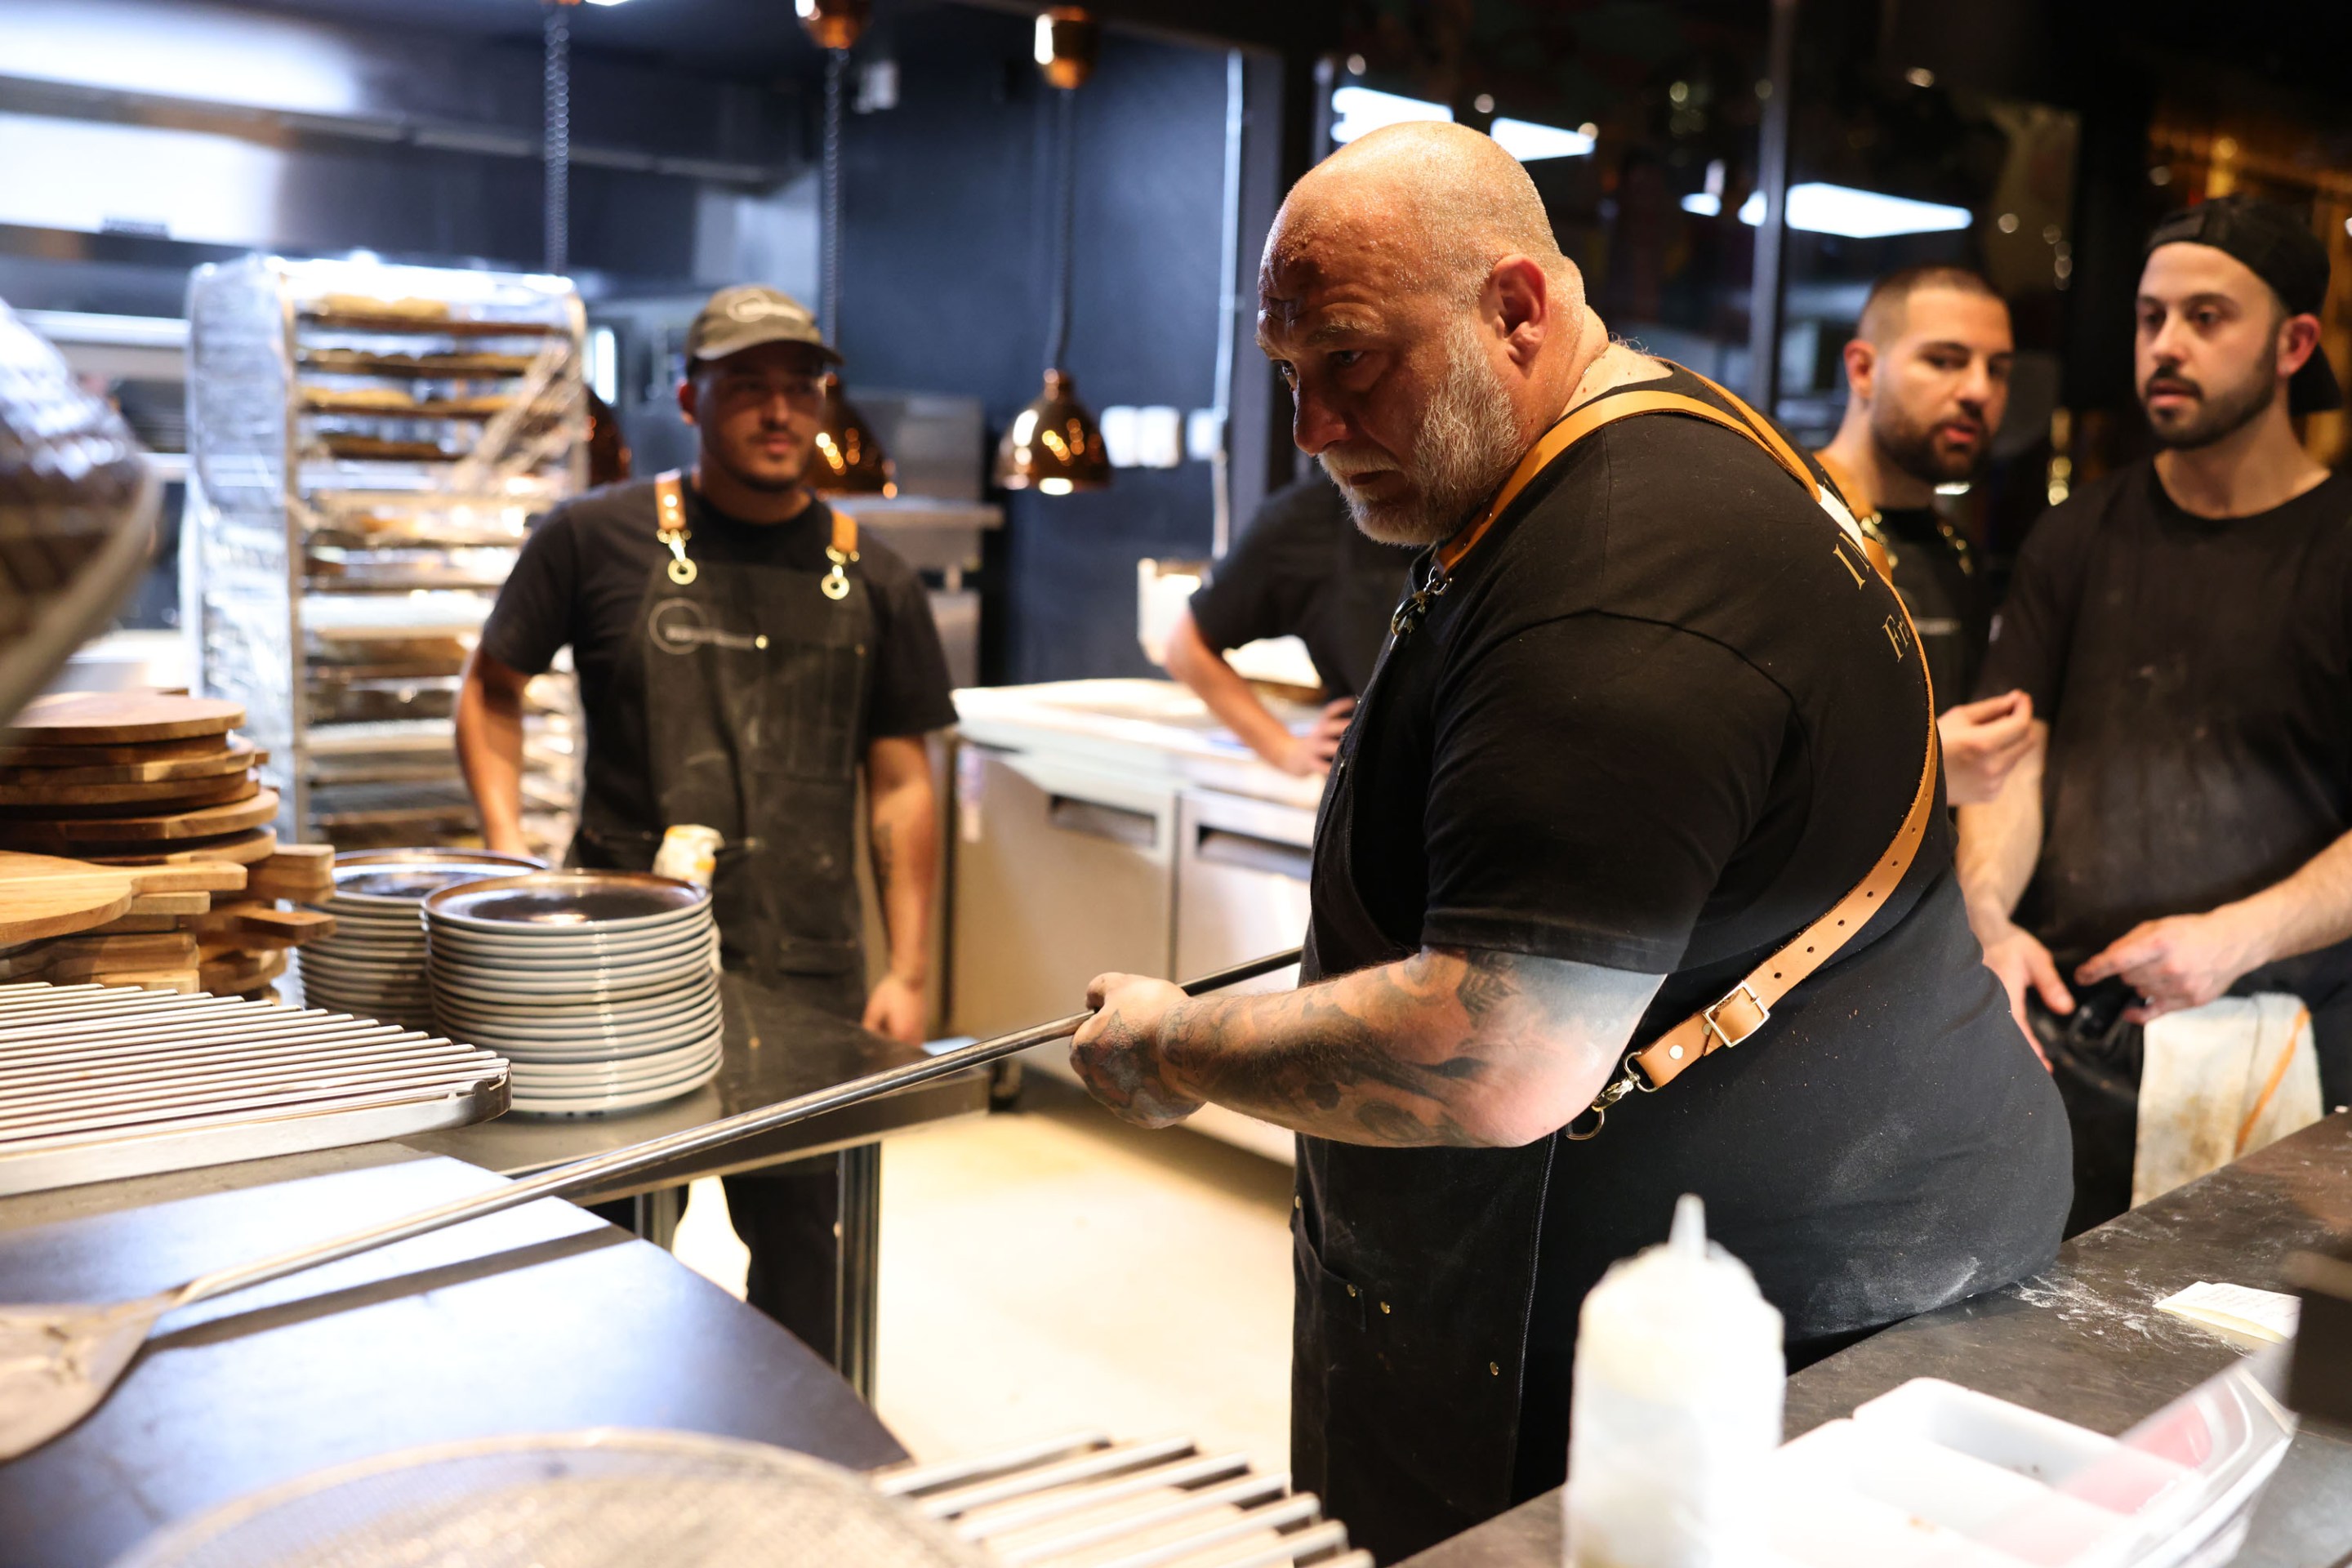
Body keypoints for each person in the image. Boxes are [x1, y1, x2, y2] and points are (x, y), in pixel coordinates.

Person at [1067, 122, 2068, 1561]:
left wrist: (1180, 1050)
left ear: (1518, 311)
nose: (1315, 427)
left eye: (1351, 359)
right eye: (1292, 375)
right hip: (1704, 1250)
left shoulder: (1620, 579)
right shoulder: (1619, 438)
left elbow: (1498, 1053)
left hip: (1770, 1324)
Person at [456, 283, 957, 1355]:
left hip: (810, 968)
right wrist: (508, 854)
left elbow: (904, 782)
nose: (778, 412)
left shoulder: (876, 576)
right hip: (618, 975)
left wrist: (911, 968)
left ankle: (803, 1456)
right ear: (689, 397)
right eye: (747, 388)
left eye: (800, 388)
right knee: (614, 1249)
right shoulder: (593, 539)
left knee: (807, 1252)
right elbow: (491, 687)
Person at [1958, 196, 2352, 1232]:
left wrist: (2235, 936)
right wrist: (1989, 919)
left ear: (2293, 343)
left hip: (2279, 1033)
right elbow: (2011, 757)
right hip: (2064, 1033)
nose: (2166, 346)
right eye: (2149, 318)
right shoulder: (2074, 536)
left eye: (2207, 318)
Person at [1814, 265, 2036, 805]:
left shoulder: (1958, 557)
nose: (1979, 391)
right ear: (1863, 369)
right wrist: (1925, 765)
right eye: (1944, 361)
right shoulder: (1792, 521)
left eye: (1998, 370)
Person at [1160, 471, 1410, 777]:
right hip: (1378, 800)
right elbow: (1184, 648)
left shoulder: (1473, 507)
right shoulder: (1313, 516)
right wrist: (1285, 750)